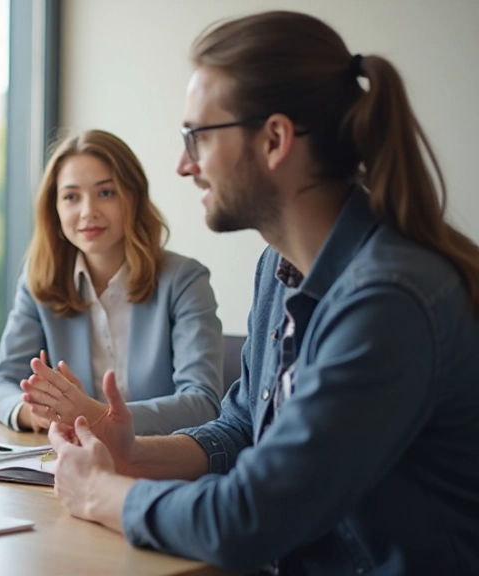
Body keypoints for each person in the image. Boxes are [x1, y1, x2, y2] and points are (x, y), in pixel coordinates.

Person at [38, 10, 479, 575]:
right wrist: (133, 452)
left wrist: (102, 493)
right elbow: (244, 426)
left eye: (197, 136)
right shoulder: (281, 265)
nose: (182, 164)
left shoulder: (388, 300)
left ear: (274, 139)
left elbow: (249, 517)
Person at [0, 130, 224, 435]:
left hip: (158, 462)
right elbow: (0, 382)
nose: (88, 212)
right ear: (54, 209)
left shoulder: (185, 281)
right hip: (68, 458)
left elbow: (202, 403)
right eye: (71, 197)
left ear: (134, 198)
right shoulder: (40, 280)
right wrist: (31, 414)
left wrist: (95, 416)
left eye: (106, 193)